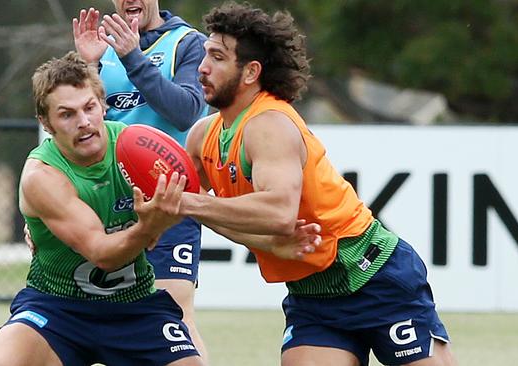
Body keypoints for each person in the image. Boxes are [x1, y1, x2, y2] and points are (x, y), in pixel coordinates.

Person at [179, 2, 458, 365]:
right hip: (313, 297)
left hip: (374, 276)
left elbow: (278, 212)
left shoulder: (269, 124)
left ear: (250, 72)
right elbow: (214, 212)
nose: (202, 67)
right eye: (205, 55)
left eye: (217, 57)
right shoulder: (203, 136)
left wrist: (186, 203)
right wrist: (266, 243)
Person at [0, 51, 204, 366]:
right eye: (67, 114)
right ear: (46, 122)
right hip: (57, 308)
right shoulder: (42, 176)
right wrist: (149, 227)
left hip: (135, 307)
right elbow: (102, 254)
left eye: (89, 108)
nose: (84, 123)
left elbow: (199, 196)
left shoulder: (135, 147)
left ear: (103, 104)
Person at [72, 2, 210, 359]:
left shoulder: (187, 42)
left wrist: (133, 57)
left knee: (174, 316)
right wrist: (89, 65)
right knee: (91, 319)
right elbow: (85, 124)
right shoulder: (104, 47)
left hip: (168, 201)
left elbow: (186, 112)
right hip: (107, 201)